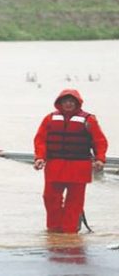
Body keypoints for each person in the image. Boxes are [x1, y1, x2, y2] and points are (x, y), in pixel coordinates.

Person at [33, 89, 107, 233]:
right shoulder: (49, 119)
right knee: (49, 198)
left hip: (79, 168)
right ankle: (54, 230)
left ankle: (70, 232)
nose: (68, 104)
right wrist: (40, 157)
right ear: (59, 103)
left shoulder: (89, 120)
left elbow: (100, 141)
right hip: (55, 166)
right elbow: (40, 140)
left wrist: (100, 159)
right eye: (65, 101)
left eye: (72, 101)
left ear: (77, 103)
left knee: (75, 202)